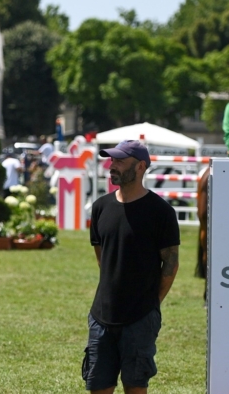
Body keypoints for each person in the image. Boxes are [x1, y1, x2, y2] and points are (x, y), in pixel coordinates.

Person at [84, 140, 180, 394]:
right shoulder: (100, 208)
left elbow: (170, 265)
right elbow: (101, 258)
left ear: (140, 166)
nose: (111, 166)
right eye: (111, 160)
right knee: (97, 387)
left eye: (119, 161)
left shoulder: (161, 212)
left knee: (135, 388)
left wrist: (151, 304)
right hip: (101, 317)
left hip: (140, 319)